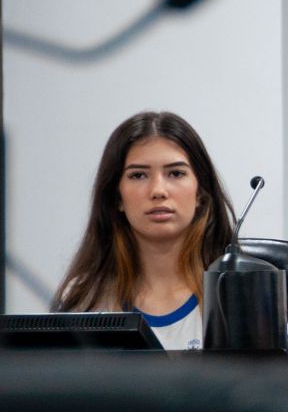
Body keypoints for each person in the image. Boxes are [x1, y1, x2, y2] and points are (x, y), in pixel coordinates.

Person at [53, 111, 236, 350]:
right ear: (117, 197)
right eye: (138, 175)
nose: (158, 190)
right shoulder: (86, 301)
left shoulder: (240, 295)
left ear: (200, 192)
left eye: (176, 173)